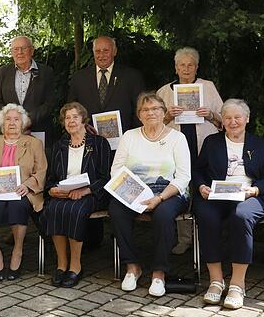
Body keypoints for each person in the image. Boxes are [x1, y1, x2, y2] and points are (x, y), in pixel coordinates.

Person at [192, 99, 264, 309]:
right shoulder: (212, 142)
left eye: (237, 117)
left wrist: (255, 190)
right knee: (206, 215)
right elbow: (198, 170)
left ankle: (238, 284)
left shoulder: (259, 144)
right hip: (217, 195)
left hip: (250, 195)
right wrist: (202, 186)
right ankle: (216, 281)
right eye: (228, 118)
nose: (233, 122)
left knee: (242, 216)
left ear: (247, 119)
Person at [109, 92, 190, 297]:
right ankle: (132, 266)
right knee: (116, 210)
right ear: (139, 115)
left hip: (169, 192)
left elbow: (183, 177)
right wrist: (134, 195)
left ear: (164, 113)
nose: (150, 112)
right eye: (145, 110)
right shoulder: (130, 136)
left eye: (155, 108)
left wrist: (160, 197)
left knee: (163, 215)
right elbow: (116, 170)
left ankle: (159, 272)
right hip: (134, 191)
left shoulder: (177, 138)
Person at [156, 47, 222, 254]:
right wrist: (167, 117)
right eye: (182, 65)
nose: (186, 68)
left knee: (203, 190)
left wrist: (210, 114)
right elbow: (153, 125)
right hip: (175, 149)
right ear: (175, 68)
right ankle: (185, 239)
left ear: (196, 67)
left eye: (190, 65)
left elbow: (224, 121)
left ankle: (207, 239)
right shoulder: (164, 91)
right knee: (180, 190)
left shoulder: (207, 87)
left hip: (203, 147)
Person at [0, 103, 47, 281]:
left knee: (18, 207)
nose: (12, 123)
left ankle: (18, 250)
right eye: (8, 119)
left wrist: (28, 185)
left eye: (16, 119)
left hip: (22, 192)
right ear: (2, 122)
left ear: (23, 123)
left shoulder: (34, 143)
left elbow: (42, 170)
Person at [44, 102, 112, 288]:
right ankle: (61, 264)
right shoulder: (59, 145)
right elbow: (51, 177)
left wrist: (84, 191)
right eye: (67, 118)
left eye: (75, 117)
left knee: (75, 210)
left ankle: (75, 266)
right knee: (52, 208)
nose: (71, 121)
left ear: (83, 119)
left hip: (91, 193)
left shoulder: (99, 143)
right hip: (64, 193)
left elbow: (106, 177)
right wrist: (52, 190)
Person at [67, 36, 145, 133]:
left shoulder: (132, 76)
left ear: (115, 51)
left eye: (106, 50)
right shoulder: (79, 78)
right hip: (89, 138)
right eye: (97, 51)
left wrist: (131, 134)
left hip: (124, 139)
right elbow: (71, 108)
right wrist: (83, 126)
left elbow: (140, 109)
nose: (101, 55)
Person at [0, 36, 57, 140]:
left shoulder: (46, 72)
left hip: (38, 131)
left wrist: (28, 120)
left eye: (24, 48)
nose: (20, 52)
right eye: (16, 49)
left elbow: (50, 102)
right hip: (10, 131)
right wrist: (12, 121)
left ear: (32, 50)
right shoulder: (2, 72)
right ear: (12, 52)